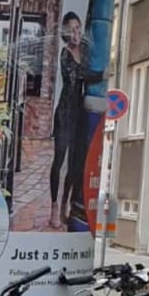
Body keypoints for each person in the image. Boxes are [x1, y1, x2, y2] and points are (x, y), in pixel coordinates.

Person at [49, 12, 89, 230]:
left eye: (78, 29)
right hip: (65, 112)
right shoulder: (66, 54)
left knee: (74, 164)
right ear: (66, 32)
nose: (76, 33)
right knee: (59, 160)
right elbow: (74, 78)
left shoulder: (86, 51)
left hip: (79, 115)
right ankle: (54, 207)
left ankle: (65, 203)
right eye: (72, 29)